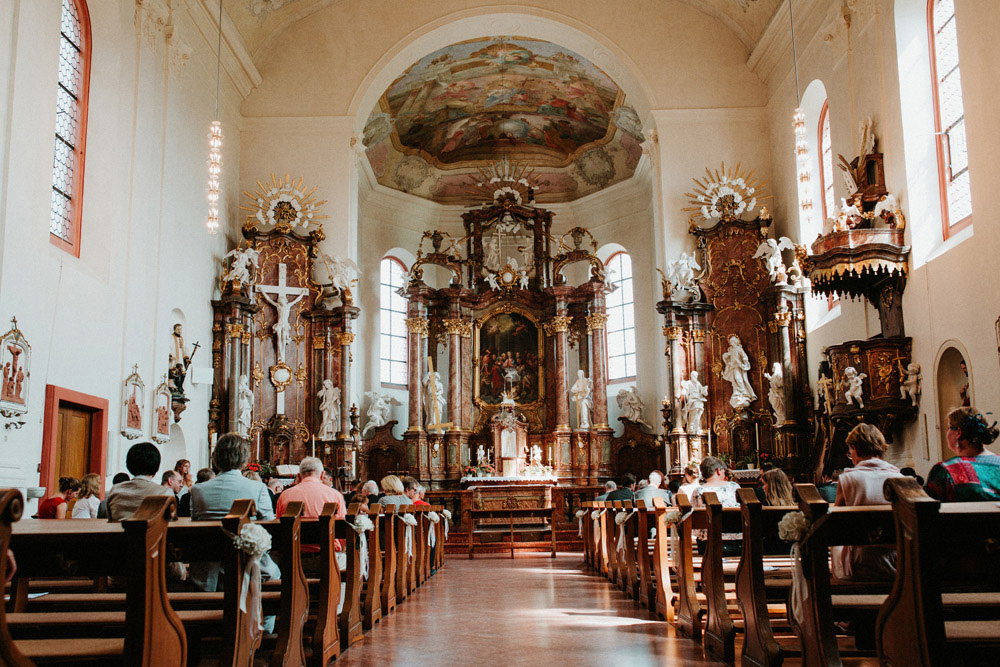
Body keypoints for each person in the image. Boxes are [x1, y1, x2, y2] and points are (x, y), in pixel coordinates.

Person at [190, 433, 277, 592]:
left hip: (209, 571)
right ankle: (264, 617)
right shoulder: (257, 488)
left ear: (216, 457)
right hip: (247, 567)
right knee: (274, 574)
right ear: (244, 459)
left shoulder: (198, 490)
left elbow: (196, 527)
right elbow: (269, 528)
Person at [833, 423, 903, 580]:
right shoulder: (901, 479)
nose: (852, 459)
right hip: (899, 558)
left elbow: (836, 526)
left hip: (861, 561)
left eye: (850, 453)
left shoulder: (848, 479)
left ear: (855, 448)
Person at [277, 457, 348, 564]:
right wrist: (342, 549)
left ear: (299, 476)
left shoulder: (285, 495)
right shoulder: (334, 495)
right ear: (322, 475)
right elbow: (343, 529)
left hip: (292, 560)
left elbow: (280, 525)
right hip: (329, 559)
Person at [925, 406, 1000, 502]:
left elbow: (926, 511)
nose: (947, 433)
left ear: (958, 433)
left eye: (949, 428)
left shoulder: (945, 470)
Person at [690, 456, 742, 556]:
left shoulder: (699, 491)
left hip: (709, 542)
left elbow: (695, 521)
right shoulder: (734, 487)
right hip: (737, 541)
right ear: (718, 471)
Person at [107, 443, 166, 522]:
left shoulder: (115, 490)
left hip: (119, 534)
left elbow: (110, 519)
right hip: (151, 534)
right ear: (156, 466)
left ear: (129, 465)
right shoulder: (164, 492)